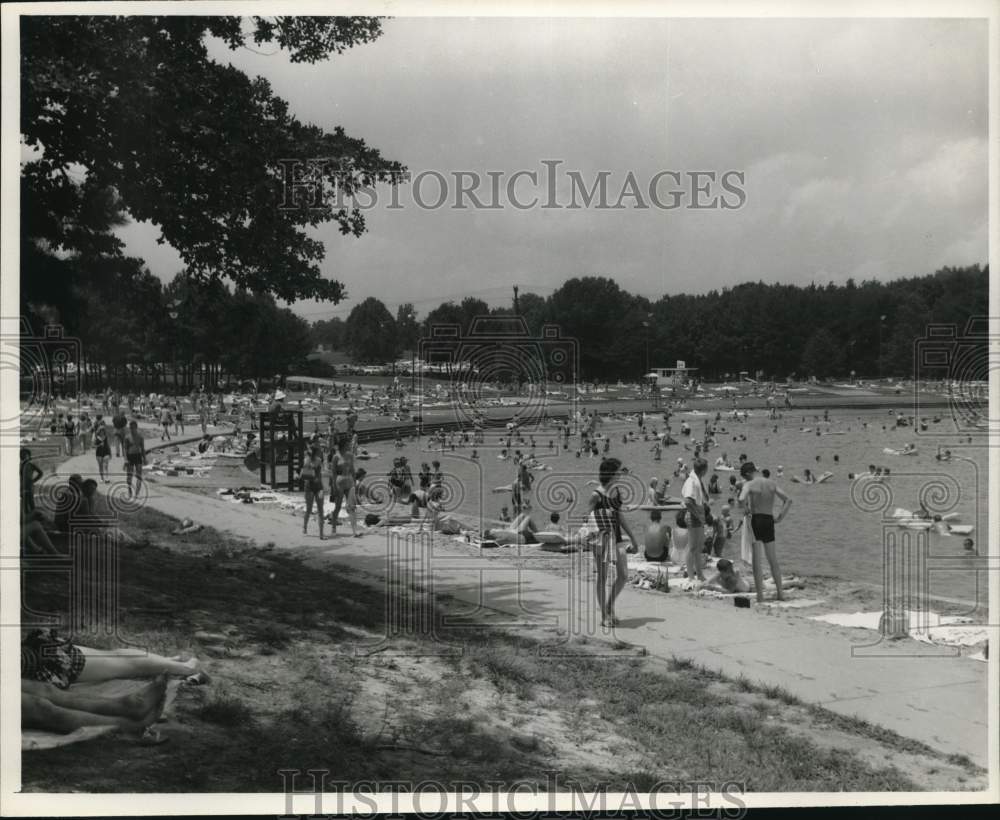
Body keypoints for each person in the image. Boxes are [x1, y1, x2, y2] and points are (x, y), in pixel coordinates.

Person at [588, 457, 641, 627]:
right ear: (611, 473)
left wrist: (633, 537)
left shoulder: (617, 492)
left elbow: (620, 516)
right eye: (618, 471)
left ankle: (609, 607)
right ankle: (604, 616)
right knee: (602, 577)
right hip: (602, 538)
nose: (620, 473)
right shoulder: (596, 495)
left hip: (617, 538)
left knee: (623, 575)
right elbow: (586, 518)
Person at [738, 461, 792, 603]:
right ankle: (780, 593)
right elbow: (788, 500)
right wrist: (780, 517)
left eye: (745, 476)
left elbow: (741, 498)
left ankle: (760, 596)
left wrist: (745, 509)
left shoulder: (749, 484)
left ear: (748, 473)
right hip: (769, 520)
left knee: (757, 560)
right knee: (772, 559)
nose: (745, 479)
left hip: (756, 520)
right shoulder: (771, 483)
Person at [681, 457, 711, 582]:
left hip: (698, 514)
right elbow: (688, 501)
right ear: (704, 470)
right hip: (693, 515)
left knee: (698, 547)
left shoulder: (697, 479)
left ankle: (699, 574)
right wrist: (698, 515)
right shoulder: (691, 481)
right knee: (692, 547)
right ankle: (691, 576)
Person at [329, 435, 360, 537]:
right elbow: (333, 473)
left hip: (349, 481)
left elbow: (352, 469)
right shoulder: (336, 457)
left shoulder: (350, 455)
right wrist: (333, 486)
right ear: (343, 446)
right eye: (347, 444)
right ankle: (333, 527)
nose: (349, 446)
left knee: (352, 506)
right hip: (339, 482)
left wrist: (355, 482)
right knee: (337, 506)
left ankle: (354, 530)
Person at [299, 444, 326, 540]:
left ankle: (305, 528)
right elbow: (321, 472)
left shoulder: (306, 460)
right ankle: (321, 534)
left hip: (309, 487)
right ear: (317, 452)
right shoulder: (318, 460)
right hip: (319, 487)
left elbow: (302, 475)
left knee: (309, 509)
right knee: (320, 510)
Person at [123, 420, 146, 498]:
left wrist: (145, 458)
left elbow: (142, 448)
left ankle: (137, 493)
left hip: (138, 456)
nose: (132, 429)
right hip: (130, 457)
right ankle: (129, 490)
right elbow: (125, 449)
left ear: (136, 428)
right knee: (129, 476)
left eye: (133, 428)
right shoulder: (127, 437)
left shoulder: (140, 437)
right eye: (130, 428)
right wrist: (125, 459)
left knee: (139, 475)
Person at [20, 448, 43, 514]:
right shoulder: (20, 465)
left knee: (31, 501)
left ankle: (34, 516)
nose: (24, 456)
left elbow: (41, 473)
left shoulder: (31, 464)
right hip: (22, 486)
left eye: (25, 455)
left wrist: (33, 481)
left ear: (29, 456)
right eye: (22, 455)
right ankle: (28, 517)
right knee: (24, 502)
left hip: (29, 486)